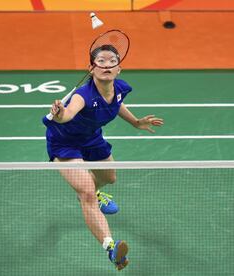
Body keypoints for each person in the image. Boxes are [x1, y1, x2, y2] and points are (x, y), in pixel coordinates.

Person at [42, 44, 163, 270]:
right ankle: (111, 248)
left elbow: (116, 104)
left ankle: (94, 192)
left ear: (119, 69)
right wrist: (59, 114)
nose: (107, 64)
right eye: (101, 61)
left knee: (109, 177)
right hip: (65, 142)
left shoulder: (118, 89)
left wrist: (137, 122)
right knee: (86, 193)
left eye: (112, 61)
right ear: (92, 68)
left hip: (92, 138)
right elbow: (67, 116)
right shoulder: (82, 95)